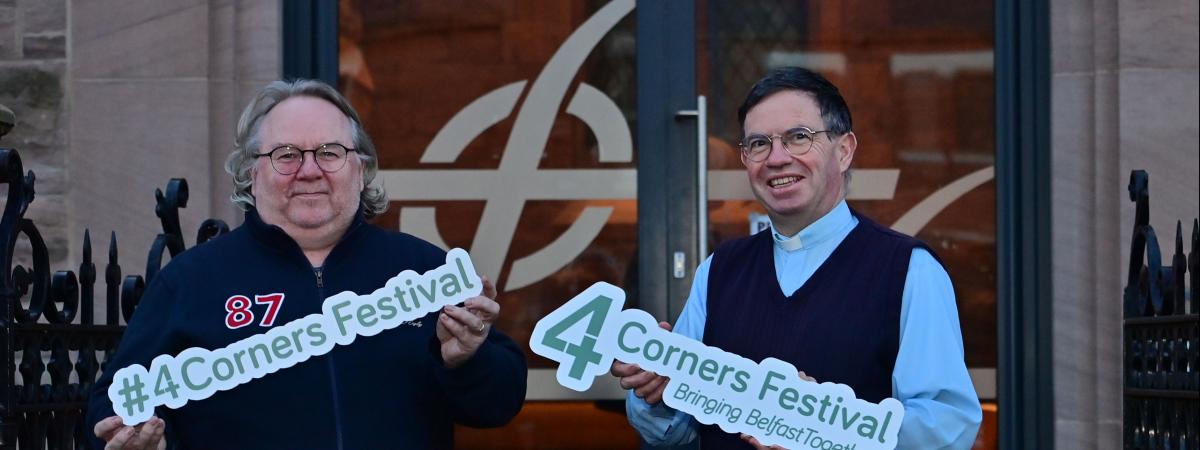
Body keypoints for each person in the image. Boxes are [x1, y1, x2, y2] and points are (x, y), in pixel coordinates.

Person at [86, 79, 527, 449]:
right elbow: (112, 405)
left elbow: (498, 405)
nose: (310, 171)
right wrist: (136, 438)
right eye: (286, 155)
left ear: (360, 169)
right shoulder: (191, 281)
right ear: (252, 174)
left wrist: (466, 360)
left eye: (330, 152)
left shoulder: (424, 272)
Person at [612, 67, 982, 449]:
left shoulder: (909, 270)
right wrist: (655, 392)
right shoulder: (719, 271)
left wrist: (827, 428)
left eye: (798, 138)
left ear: (844, 150)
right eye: (758, 143)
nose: (776, 158)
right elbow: (676, 431)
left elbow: (947, 427)